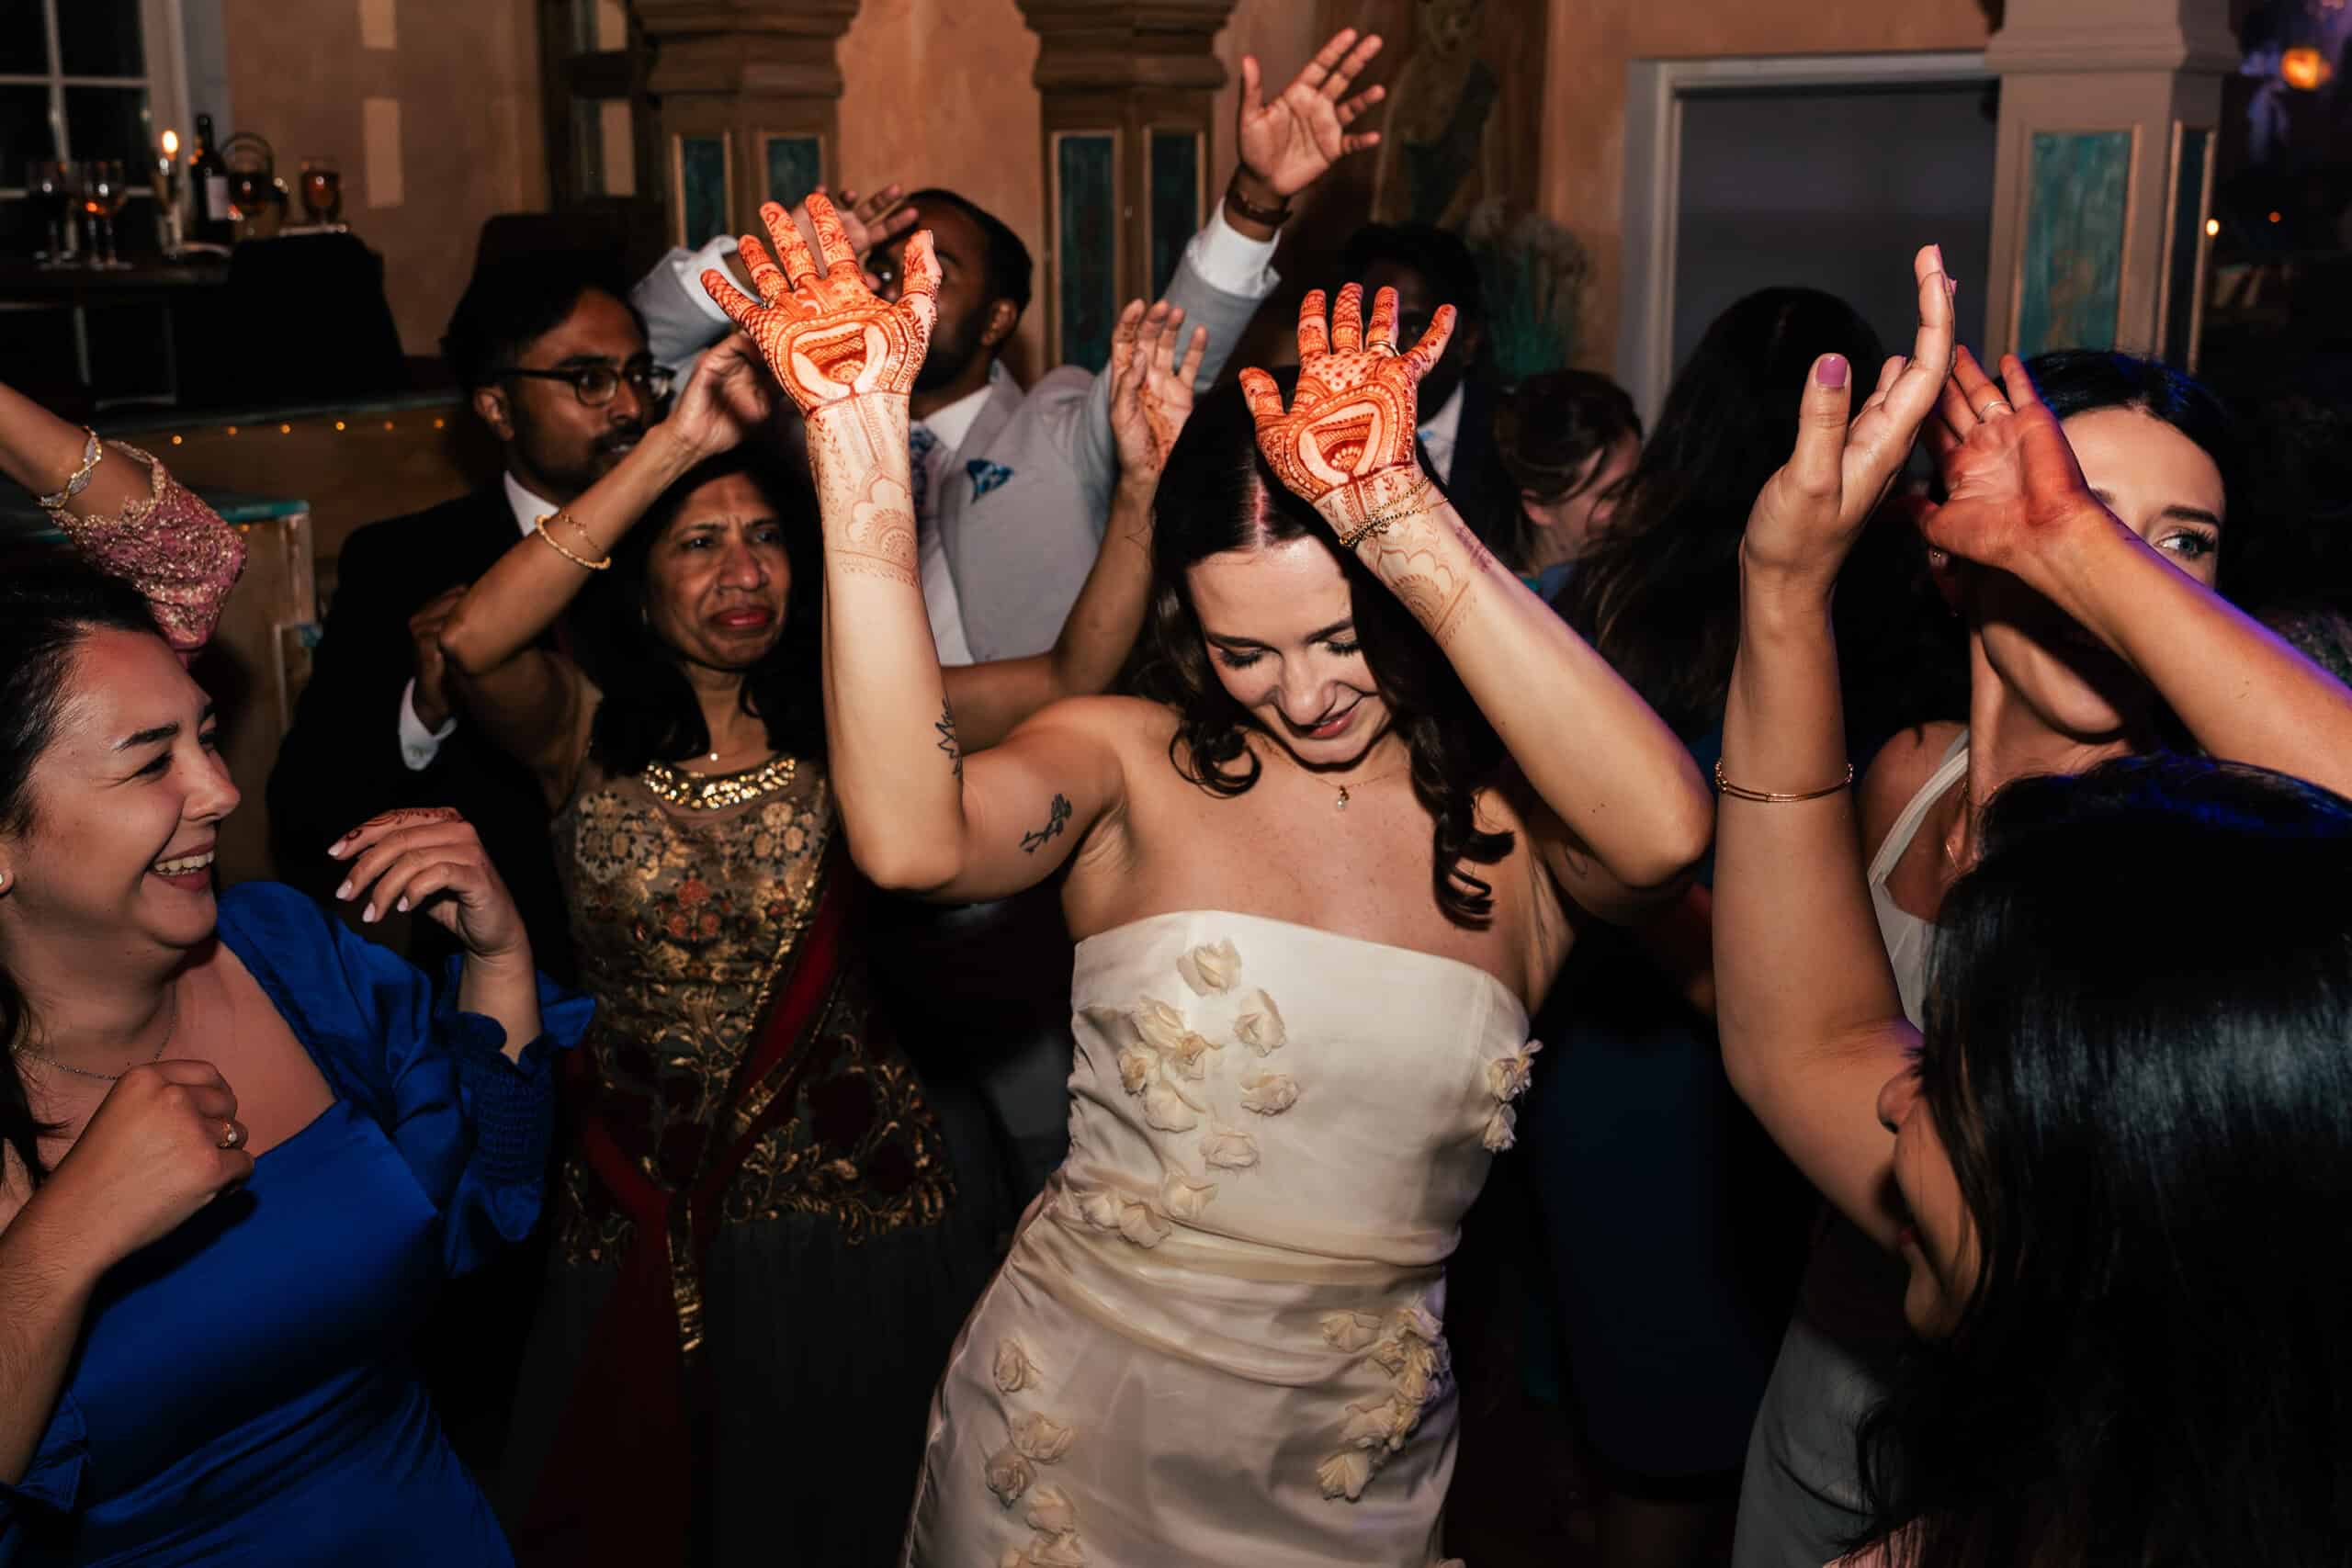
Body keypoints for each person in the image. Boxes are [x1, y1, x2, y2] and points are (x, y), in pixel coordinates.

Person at [700, 197, 1713, 1563]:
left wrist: (1400, 514)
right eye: (1247, 653)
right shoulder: (1128, 761)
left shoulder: (1517, 823)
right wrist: (861, 459)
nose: (1305, 694)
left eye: (1344, 636)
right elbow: (908, 840)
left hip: (1355, 1481)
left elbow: (1663, 835)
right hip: (1073, 1448)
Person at [440, 276, 1210, 1563]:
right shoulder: (574, 732)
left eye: (767, 537)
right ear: (640, 583)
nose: (744, 571)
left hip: (862, 1208)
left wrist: (1135, 491)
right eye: (700, 543)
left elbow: (1082, 672)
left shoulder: (869, 721)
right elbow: (473, 639)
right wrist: (678, 442)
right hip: (642, 1206)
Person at [1713, 251, 2352, 1568]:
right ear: (1948, 556)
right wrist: (1782, 592)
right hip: (1819, 1436)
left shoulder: (2214, 874)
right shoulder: (1905, 768)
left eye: (2181, 543)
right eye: (2082, 505)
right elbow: (1812, 1046)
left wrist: (2074, 545)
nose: (2117, 560)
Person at [0, 382, 591, 1564]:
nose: (220, 794)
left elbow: (487, 1194)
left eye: (206, 735)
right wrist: (66, 1239)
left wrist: (503, 956)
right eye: (150, 761)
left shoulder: (281, 950)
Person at [1514, 289, 1936, 1568]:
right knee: (1693, 1409)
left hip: (1630, 1057)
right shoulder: (1862, 611)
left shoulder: (1601, 597)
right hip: (1724, 1056)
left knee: (1671, 1414)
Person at [1338, 220, 1517, 546]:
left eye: (1414, 328)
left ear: (1469, 339)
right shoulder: (1321, 438)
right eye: (1370, 324)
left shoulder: (1517, 440)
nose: (1385, 347)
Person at [1487, 367, 1641, 596]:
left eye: (1637, 482)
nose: (1635, 504)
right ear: (1537, 506)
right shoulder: (1500, 610)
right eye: (1610, 494)